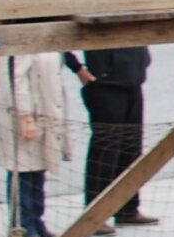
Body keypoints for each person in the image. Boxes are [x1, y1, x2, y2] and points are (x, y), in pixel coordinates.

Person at [64, 45, 154, 226]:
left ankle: (127, 209)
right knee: (106, 149)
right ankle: (95, 215)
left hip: (133, 79)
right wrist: (77, 68)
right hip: (104, 83)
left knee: (132, 148)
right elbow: (57, 36)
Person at [0, 53, 72, 237]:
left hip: (45, 113)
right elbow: (16, 80)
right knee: (22, 172)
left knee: (38, 169)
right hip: (26, 117)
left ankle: (37, 222)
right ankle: (22, 227)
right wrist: (25, 116)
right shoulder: (21, 46)